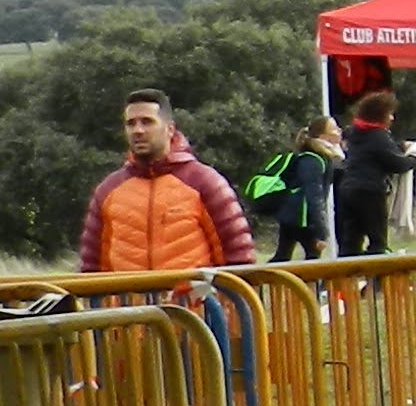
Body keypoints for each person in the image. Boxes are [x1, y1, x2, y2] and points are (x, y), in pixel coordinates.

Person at [82, 90, 258, 272]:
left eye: (147, 122)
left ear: (170, 129)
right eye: (130, 124)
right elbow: (91, 266)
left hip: (192, 300)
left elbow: (239, 257)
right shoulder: (108, 190)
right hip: (131, 301)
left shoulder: (205, 182)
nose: (138, 131)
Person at [253, 118, 340, 263]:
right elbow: (315, 198)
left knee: (283, 256)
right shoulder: (313, 160)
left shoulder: (323, 158)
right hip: (301, 219)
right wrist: (321, 232)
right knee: (313, 256)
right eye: (334, 129)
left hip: (291, 215)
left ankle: (262, 280)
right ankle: (310, 286)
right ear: (323, 136)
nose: (339, 132)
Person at [334, 90, 406, 258]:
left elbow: (373, 151)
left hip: (348, 190)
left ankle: (346, 280)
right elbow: (397, 163)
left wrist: (399, 146)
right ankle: (377, 281)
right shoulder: (378, 136)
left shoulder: (355, 133)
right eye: (390, 114)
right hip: (370, 191)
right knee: (378, 241)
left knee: (350, 241)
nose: (392, 118)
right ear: (379, 115)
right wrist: (414, 159)